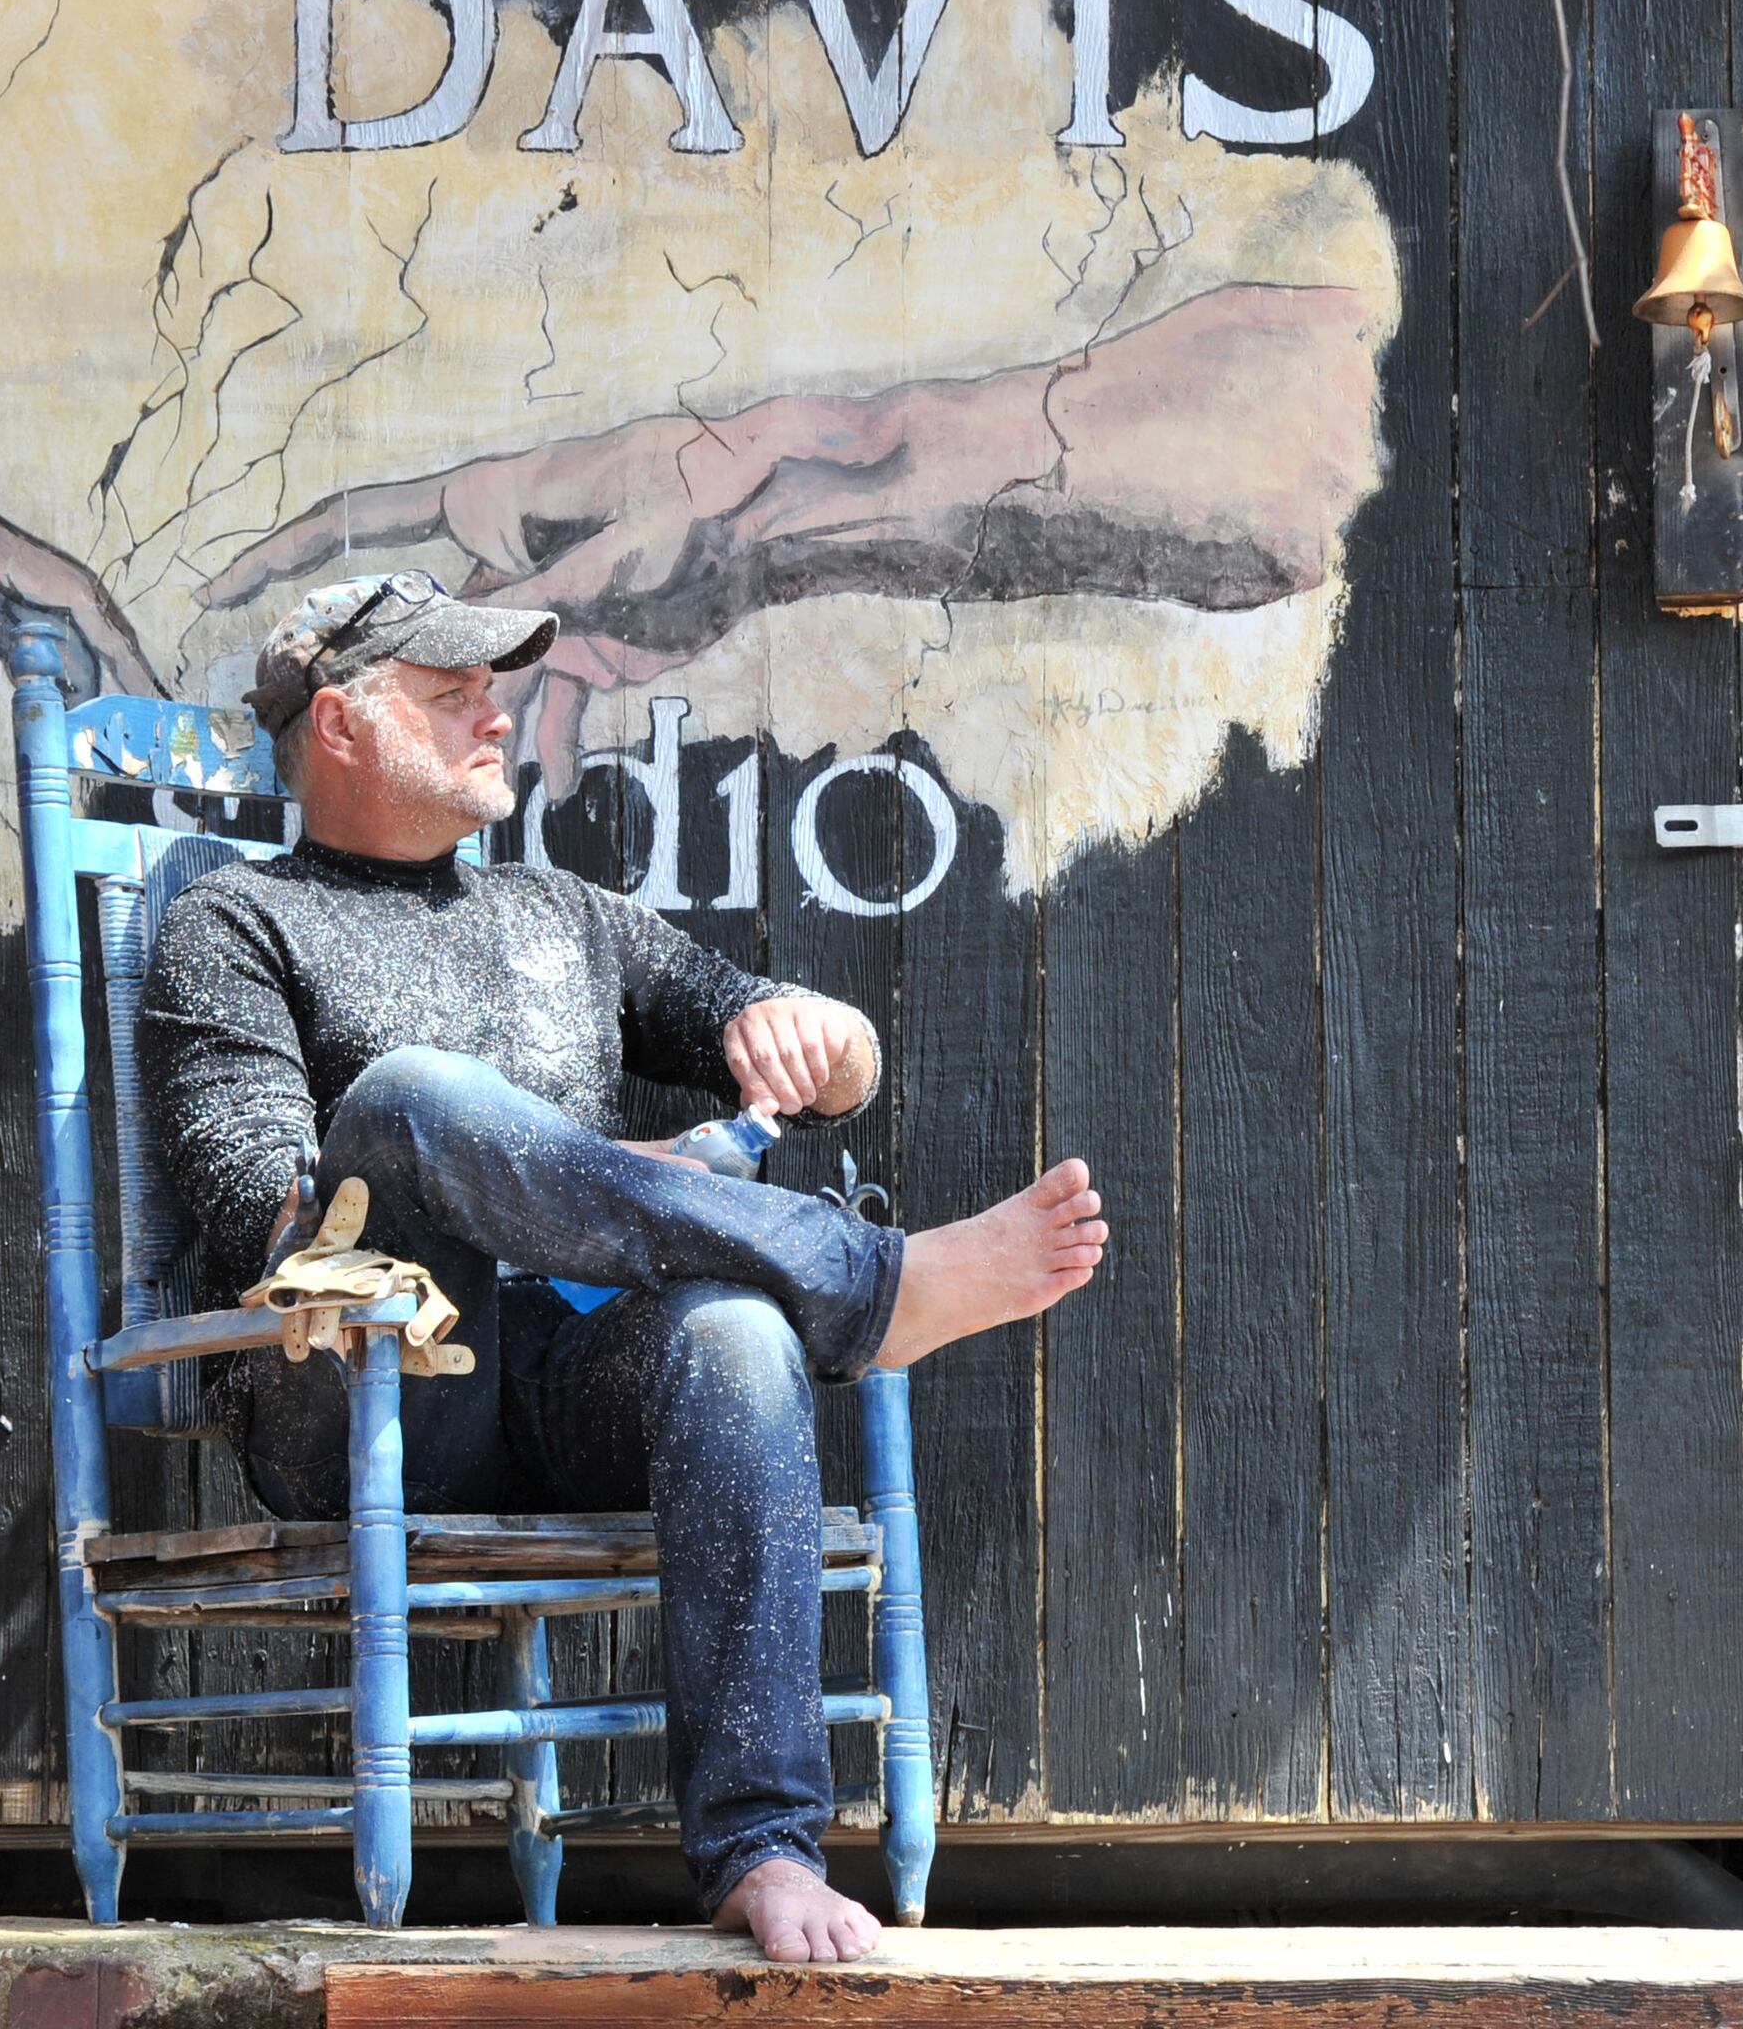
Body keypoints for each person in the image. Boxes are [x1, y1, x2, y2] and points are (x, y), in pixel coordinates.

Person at [144, 571, 1108, 1963]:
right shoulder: (236, 925)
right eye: (450, 689)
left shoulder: (566, 916)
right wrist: (563, 1180)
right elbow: (278, 1233)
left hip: (578, 1382)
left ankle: (764, 1852)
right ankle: (864, 1281)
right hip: (377, 1394)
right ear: (344, 725)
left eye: (494, 686)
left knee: (732, 1335)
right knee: (416, 1097)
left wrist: (827, 1042)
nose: (494, 711)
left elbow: (793, 1037)